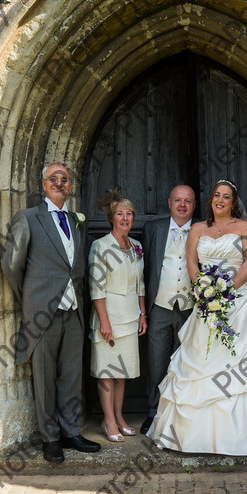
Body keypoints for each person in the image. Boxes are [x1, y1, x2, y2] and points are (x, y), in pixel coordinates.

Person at [147, 179, 247, 455]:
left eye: (226, 197)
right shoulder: (197, 228)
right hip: (206, 303)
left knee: (241, 366)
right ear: (211, 200)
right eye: (217, 195)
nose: (220, 200)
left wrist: (227, 289)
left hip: (239, 304)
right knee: (199, 364)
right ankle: (193, 436)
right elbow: (192, 261)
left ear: (233, 202)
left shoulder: (244, 228)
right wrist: (204, 292)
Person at [1, 161, 101, 462]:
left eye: (65, 179)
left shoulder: (74, 219)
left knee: (70, 376)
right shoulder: (28, 218)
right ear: (43, 184)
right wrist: (30, 297)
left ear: (70, 186)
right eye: (53, 179)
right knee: (43, 378)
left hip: (74, 311)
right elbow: (10, 265)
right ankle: (50, 438)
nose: (59, 183)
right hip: (42, 313)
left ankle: (71, 432)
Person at [88, 188, 147, 442]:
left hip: (130, 317)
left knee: (122, 372)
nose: (125, 218)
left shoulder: (136, 246)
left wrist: (142, 314)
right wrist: (104, 321)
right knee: (107, 372)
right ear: (112, 217)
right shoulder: (100, 245)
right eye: (120, 214)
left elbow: (140, 285)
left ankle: (120, 416)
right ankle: (108, 420)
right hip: (109, 316)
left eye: (129, 213)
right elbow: (96, 286)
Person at [140, 185, 196, 434]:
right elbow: (146, 268)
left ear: (194, 204)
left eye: (187, 201)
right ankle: (153, 413)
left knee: (186, 363)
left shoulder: (201, 230)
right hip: (160, 306)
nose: (182, 205)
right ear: (169, 203)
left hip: (191, 308)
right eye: (177, 201)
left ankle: (182, 415)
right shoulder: (154, 228)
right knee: (156, 362)